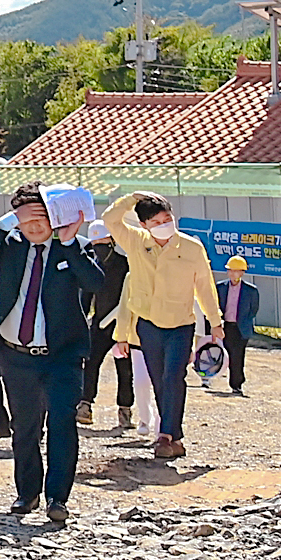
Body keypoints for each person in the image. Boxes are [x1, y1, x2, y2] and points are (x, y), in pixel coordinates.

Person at [0, 186, 104, 526]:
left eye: (41, 216)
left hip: (62, 357)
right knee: (25, 427)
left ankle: (57, 497)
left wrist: (71, 241)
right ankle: (27, 492)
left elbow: (95, 282)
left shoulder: (75, 248)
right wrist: (7, 222)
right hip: (16, 355)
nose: (33, 225)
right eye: (26, 217)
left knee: (61, 422)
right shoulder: (11, 246)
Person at [99, 192, 224, 461]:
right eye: (156, 221)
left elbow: (204, 286)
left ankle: (166, 435)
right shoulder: (135, 241)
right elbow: (110, 219)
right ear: (144, 224)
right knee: (159, 382)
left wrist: (216, 322)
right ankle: (173, 437)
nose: (164, 224)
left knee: (173, 377)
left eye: (167, 218)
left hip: (181, 325)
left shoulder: (192, 248)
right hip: (149, 325)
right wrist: (131, 199)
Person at [80, 220, 138, 431]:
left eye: (103, 242)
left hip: (122, 326)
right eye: (96, 243)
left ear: (113, 241)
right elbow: (86, 297)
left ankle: (124, 411)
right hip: (100, 325)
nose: (100, 248)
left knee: (124, 370)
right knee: (91, 364)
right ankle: (85, 405)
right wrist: (82, 320)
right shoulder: (91, 265)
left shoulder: (127, 265)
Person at [215, 255, 259, 398]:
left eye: (237, 271)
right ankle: (209, 377)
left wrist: (244, 321)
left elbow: (253, 309)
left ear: (242, 272)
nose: (233, 274)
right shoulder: (220, 287)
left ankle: (236, 384)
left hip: (240, 328)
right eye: (231, 271)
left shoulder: (250, 290)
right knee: (221, 353)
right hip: (225, 326)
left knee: (237, 356)